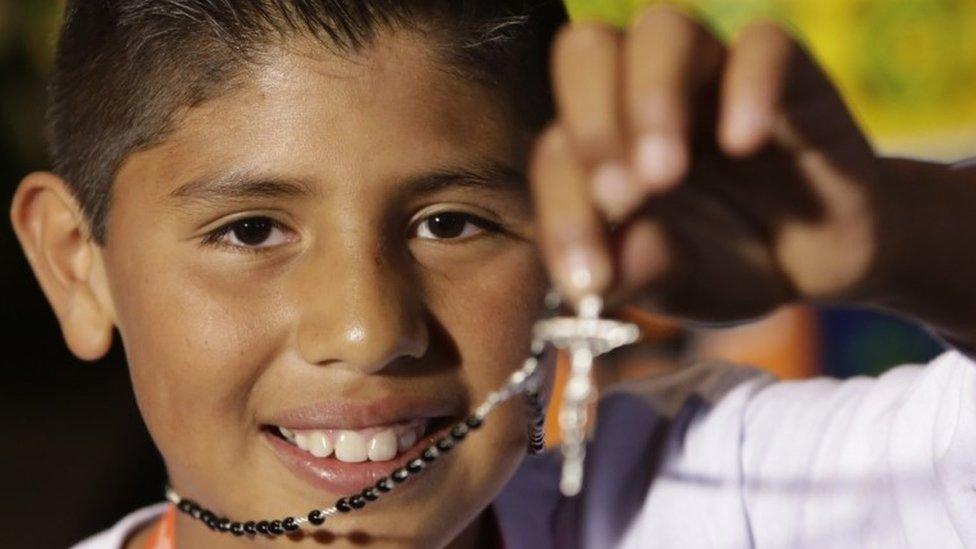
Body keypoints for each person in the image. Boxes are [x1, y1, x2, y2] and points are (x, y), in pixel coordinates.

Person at [9, 1, 976, 547]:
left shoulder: (705, 499)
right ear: (74, 265)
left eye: (450, 222)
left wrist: (898, 233)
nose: (368, 327)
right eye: (252, 230)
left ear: (564, 242)